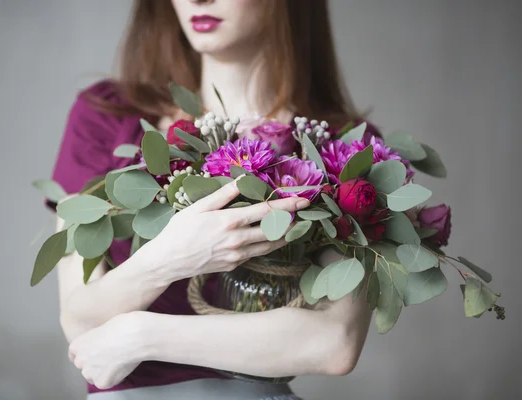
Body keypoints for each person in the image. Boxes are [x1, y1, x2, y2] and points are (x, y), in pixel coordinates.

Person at [48, 1, 373, 399]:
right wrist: (172, 258)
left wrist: (142, 334)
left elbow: (333, 342)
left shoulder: (346, 149)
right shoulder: (107, 118)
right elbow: (80, 324)